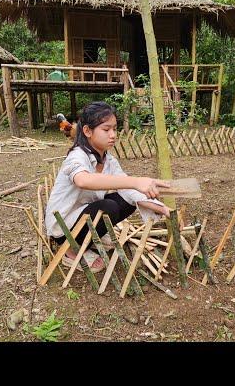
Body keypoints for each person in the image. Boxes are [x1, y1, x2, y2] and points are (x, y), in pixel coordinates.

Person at [45, 101, 171, 272]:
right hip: (64, 226)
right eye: (106, 129)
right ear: (88, 131)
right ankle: (70, 250)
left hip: (83, 215)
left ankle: (89, 237)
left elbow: (129, 190)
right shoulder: (77, 156)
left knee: (126, 201)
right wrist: (136, 181)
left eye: (114, 129)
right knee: (109, 206)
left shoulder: (108, 160)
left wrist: (162, 208)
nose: (113, 135)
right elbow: (83, 180)